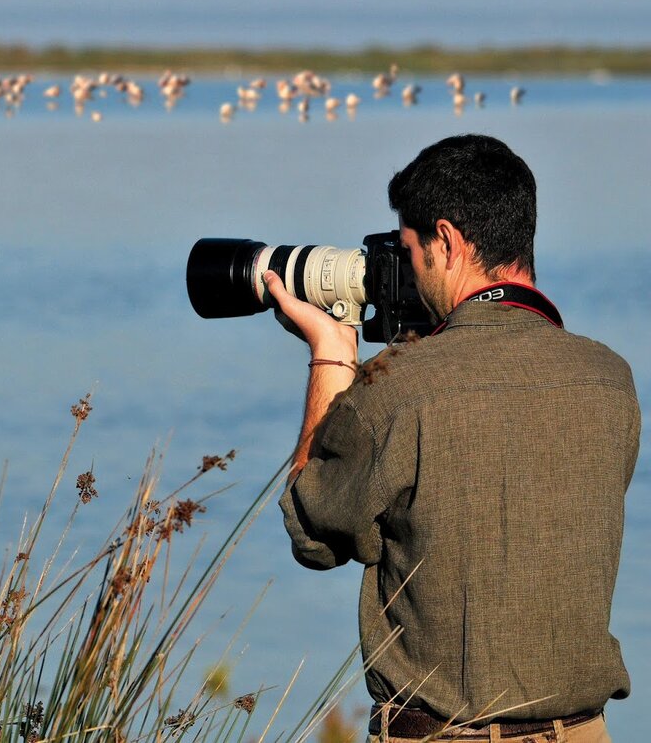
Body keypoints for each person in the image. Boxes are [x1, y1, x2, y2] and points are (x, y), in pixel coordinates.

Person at [269, 134, 640, 743]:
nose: (408, 271)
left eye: (410, 250)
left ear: (447, 241)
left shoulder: (402, 389)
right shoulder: (609, 379)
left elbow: (315, 534)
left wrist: (331, 358)